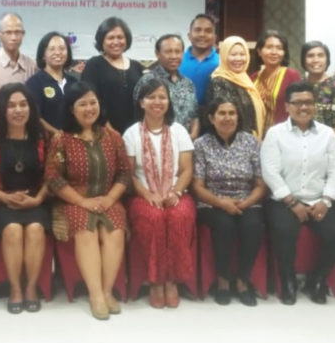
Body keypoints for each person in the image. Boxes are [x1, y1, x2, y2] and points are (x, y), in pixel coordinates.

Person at [44, 82, 130, 320]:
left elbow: (125, 173)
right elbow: (53, 178)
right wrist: (82, 202)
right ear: (72, 109)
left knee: (115, 230)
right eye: (82, 104)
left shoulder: (113, 137)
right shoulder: (62, 139)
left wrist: (110, 198)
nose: (89, 108)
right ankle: (96, 295)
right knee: (86, 231)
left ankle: (107, 291)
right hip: (74, 200)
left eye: (93, 102)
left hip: (108, 199)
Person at [261, 81, 335, 305]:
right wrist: (291, 202)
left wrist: (326, 200)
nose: (304, 107)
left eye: (308, 102)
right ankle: (288, 280)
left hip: (320, 199)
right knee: (284, 231)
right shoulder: (275, 134)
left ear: (315, 105)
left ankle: (317, 279)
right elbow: (270, 171)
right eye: (297, 103)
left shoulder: (327, 134)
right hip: (284, 200)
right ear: (287, 106)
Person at [0, 84, 50, 314]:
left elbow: (52, 176)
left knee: (35, 229)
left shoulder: (40, 135)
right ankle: (15, 289)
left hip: (34, 200)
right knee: (13, 229)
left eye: (23, 104)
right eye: (12, 105)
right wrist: (5, 198)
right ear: (2, 109)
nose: (18, 110)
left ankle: (31, 288)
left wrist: (38, 200)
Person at [123, 78, 195, 309]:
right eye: (151, 97)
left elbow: (186, 169)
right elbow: (129, 174)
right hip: (143, 195)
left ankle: (172, 280)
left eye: (162, 97)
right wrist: (147, 194)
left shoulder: (179, 130)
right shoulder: (131, 134)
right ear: (141, 102)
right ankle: (155, 281)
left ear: (168, 101)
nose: (157, 102)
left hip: (176, 191)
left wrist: (176, 191)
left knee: (178, 216)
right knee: (153, 218)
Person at [191, 97, 266, 306]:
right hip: (212, 202)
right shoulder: (201, 144)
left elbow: (260, 184)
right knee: (224, 226)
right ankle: (223, 281)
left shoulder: (251, 142)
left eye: (232, 113)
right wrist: (222, 203)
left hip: (247, 200)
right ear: (211, 118)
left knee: (252, 225)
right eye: (222, 113)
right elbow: (197, 186)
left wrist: (245, 203)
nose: (227, 118)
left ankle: (242, 281)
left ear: (238, 117)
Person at [80, 17, 145, 133]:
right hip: (103, 131)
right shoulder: (94, 65)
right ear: (102, 40)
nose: (116, 42)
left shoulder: (136, 66)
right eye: (111, 38)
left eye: (120, 37)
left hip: (135, 132)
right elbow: (88, 99)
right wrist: (107, 128)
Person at [0, 13, 37, 126]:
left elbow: (34, 105)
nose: (13, 37)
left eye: (17, 32)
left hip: (26, 131)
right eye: (8, 32)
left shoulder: (32, 65)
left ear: (23, 34)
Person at [134, 34, 199, 138]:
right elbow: (138, 115)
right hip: (156, 140)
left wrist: (192, 136)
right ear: (157, 53)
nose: (174, 56)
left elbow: (195, 114)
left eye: (178, 51)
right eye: (168, 52)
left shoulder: (188, 83)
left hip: (186, 141)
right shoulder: (147, 81)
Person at [206, 36, 266, 138]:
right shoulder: (219, 81)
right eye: (233, 55)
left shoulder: (246, 80)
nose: (238, 59)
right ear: (224, 55)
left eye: (242, 54)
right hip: (233, 142)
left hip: (251, 140)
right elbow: (225, 119)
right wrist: (248, 139)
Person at [25, 32, 77, 136]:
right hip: (46, 140)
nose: (58, 53)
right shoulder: (34, 83)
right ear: (43, 55)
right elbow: (34, 116)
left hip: (74, 139)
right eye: (52, 49)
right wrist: (57, 133)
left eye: (62, 48)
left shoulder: (74, 82)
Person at [251, 30, 303, 133]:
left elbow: (300, 108)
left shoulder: (292, 76)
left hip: (284, 134)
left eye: (279, 48)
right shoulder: (253, 78)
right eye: (269, 47)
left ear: (284, 52)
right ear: (259, 51)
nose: (274, 52)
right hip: (257, 135)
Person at [301, 40, 335, 127]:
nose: (315, 60)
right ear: (303, 60)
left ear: (327, 60)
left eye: (320, 55)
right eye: (310, 56)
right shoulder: (298, 86)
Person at [178, 14, 219, 107]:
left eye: (208, 31)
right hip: (182, 114)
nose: (202, 34)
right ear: (189, 35)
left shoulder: (222, 62)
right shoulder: (177, 61)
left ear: (215, 37)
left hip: (213, 114)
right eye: (197, 30)